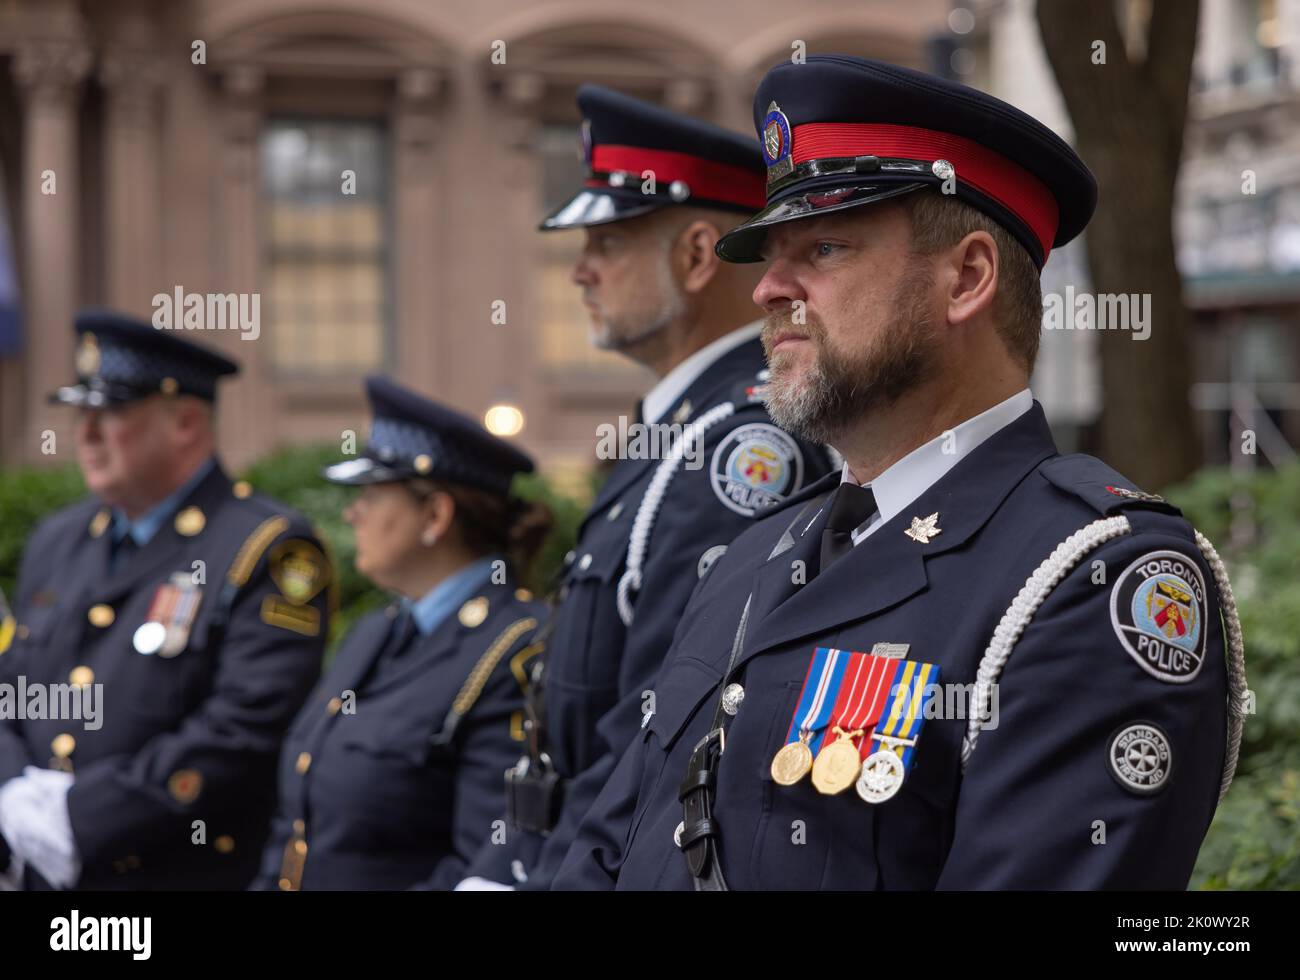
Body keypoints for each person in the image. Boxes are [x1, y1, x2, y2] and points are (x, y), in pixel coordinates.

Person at [554, 55, 1247, 890]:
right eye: (771, 255)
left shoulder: (1093, 579)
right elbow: (609, 847)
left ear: (967, 278)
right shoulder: (755, 553)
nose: (769, 289)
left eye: (825, 247)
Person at [459, 86, 834, 890]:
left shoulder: (740, 445)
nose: (580, 273)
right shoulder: (678, 430)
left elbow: (657, 731)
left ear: (699, 255)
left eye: (607, 241)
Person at [0, 310, 332, 889]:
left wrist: (80, 818)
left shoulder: (267, 547)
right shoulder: (60, 539)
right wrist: (12, 796)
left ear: (185, 423)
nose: (86, 433)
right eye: (81, 412)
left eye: (112, 413)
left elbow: (244, 729)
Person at [253, 377, 548, 891]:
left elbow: (489, 861)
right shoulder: (378, 631)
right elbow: (296, 828)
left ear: (435, 514)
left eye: (370, 494)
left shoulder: (518, 649)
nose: (353, 512)